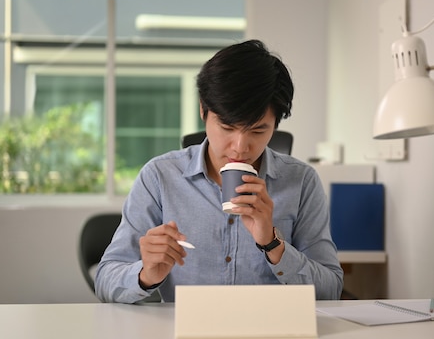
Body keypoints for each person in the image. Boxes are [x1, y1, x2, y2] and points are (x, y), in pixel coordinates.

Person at [95, 39, 344, 303]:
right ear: (203, 109)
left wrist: (273, 243)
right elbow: (105, 282)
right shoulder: (159, 177)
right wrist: (146, 274)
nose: (240, 147)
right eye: (227, 127)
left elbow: (331, 290)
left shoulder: (301, 182)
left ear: (276, 124)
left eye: (259, 130)